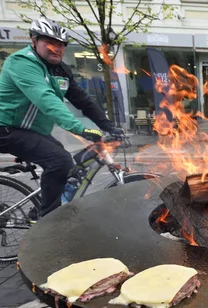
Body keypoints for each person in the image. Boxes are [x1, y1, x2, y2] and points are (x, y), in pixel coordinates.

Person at [0, 17, 124, 218]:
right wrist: (79, 128)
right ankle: (47, 222)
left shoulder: (59, 70)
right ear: (33, 40)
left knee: (68, 166)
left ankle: (37, 211)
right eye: (49, 43)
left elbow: (82, 100)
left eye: (60, 45)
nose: (56, 49)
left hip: (31, 131)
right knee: (60, 161)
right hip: (6, 128)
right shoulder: (22, 62)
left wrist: (108, 126)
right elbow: (45, 98)